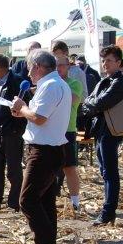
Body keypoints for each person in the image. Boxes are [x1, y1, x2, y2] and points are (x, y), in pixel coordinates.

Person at [10, 49, 73, 244]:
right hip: (48, 149)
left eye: (29, 68)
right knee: (45, 202)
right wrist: (23, 111)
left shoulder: (51, 86)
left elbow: (39, 118)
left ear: (37, 66)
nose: (28, 73)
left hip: (44, 151)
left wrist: (22, 108)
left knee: (27, 200)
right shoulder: (55, 84)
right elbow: (38, 116)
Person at [80, 45, 123, 226]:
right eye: (103, 60)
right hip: (101, 130)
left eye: (109, 60)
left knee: (110, 172)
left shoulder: (119, 83)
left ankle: (108, 211)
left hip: (111, 131)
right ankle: (107, 209)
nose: (105, 64)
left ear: (118, 62)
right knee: (105, 171)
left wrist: (92, 104)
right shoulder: (104, 81)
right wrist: (92, 104)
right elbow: (87, 102)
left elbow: (99, 103)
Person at [0, 54, 27, 211]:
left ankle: (14, 202)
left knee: (13, 169)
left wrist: (15, 128)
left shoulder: (16, 82)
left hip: (12, 132)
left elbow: (23, 106)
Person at [53, 50, 84, 211]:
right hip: (52, 130)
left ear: (68, 67)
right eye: (55, 65)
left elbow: (72, 100)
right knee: (50, 168)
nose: (58, 68)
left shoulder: (74, 84)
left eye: (61, 65)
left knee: (69, 167)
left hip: (67, 130)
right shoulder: (50, 84)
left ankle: (75, 202)